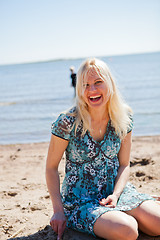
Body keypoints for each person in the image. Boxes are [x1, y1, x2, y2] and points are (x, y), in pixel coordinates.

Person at [46, 58, 160, 240]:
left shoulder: (124, 118)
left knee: (158, 224)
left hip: (115, 193)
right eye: (86, 85)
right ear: (79, 89)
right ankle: (120, 219)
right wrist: (58, 211)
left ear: (110, 83)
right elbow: (51, 168)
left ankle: (127, 211)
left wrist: (116, 195)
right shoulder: (67, 122)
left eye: (98, 82)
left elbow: (124, 164)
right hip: (81, 202)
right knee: (128, 230)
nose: (92, 90)